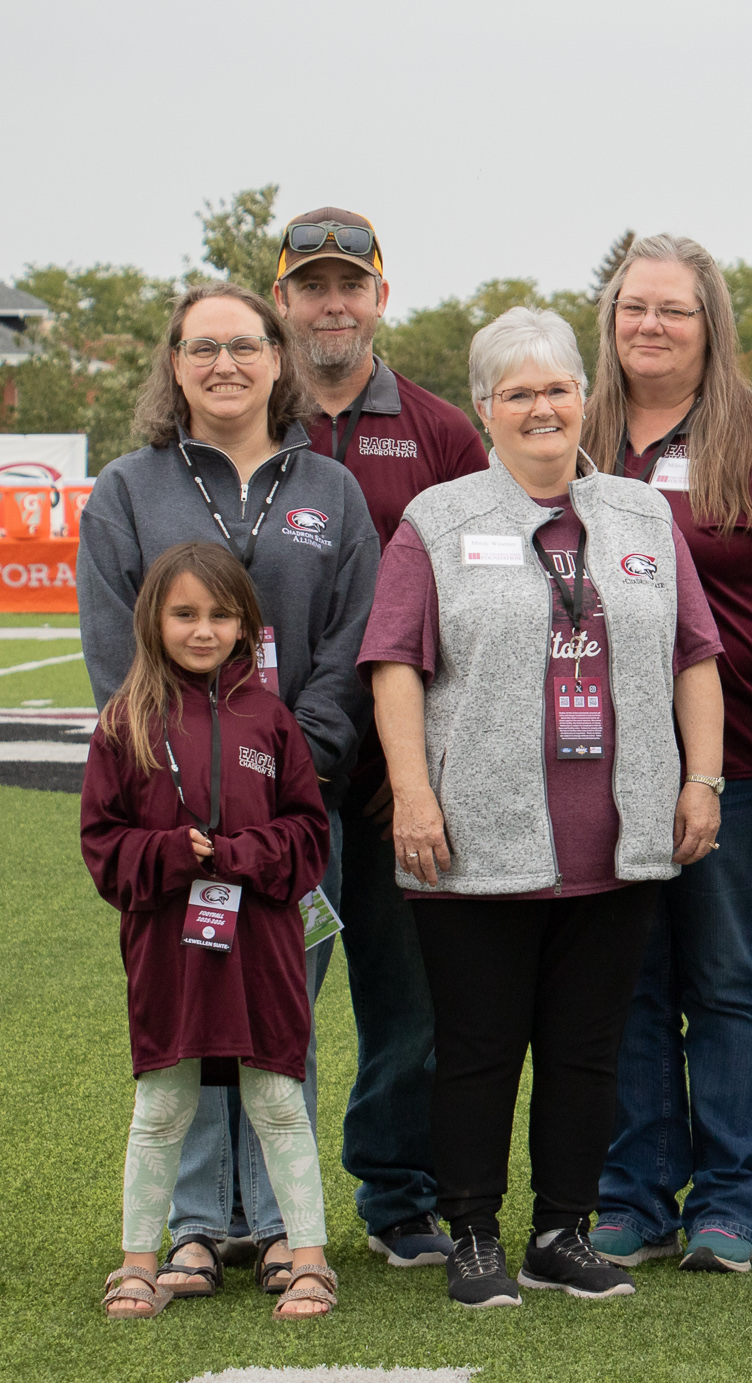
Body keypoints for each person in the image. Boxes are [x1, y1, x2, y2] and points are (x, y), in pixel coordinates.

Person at [359, 307, 727, 1309]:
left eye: (556, 388)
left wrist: (703, 780)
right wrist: (413, 794)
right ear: (484, 407)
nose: (540, 407)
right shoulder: (438, 520)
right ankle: (472, 1232)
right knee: (477, 1050)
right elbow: (395, 664)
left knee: (585, 1048)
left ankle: (560, 1232)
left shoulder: (644, 518)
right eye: (517, 392)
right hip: (476, 833)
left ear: (584, 399)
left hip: (616, 831)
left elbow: (695, 655)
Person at [77, 280, 378, 1299]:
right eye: (202, 348)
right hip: (174, 821)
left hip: (290, 803)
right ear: (175, 364)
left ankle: (291, 1234)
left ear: (276, 357)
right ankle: (202, 1227)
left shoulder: (330, 490)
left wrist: (302, 746)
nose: (224, 366)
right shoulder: (129, 487)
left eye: (244, 346)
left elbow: (352, 631)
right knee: (191, 1016)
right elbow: (115, 641)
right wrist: (172, 773)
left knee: (277, 1014)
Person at [585, 236, 752, 1275]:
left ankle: (732, 1196)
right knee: (628, 982)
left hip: (733, 766)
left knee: (728, 979)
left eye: (674, 310)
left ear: (710, 324)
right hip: (599, 767)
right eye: (634, 307)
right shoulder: (579, 430)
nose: (650, 326)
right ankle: (633, 1193)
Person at [272, 205, 489, 1270]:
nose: (332, 303)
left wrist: (414, 762)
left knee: (408, 1003)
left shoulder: (443, 431)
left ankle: (397, 1193)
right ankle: (262, 1208)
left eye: (349, 284)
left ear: (379, 297)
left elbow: (477, 597)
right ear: (283, 301)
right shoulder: (244, 419)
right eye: (312, 285)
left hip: (399, 777)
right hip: (277, 778)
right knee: (272, 999)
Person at [85, 543, 338, 1321]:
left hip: (260, 946)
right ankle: (138, 1259)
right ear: (153, 620)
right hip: (170, 949)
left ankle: (309, 1258)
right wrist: (167, 853)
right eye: (184, 613)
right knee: (163, 1102)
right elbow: (102, 843)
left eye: (220, 614)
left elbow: (307, 833)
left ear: (246, 626)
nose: (202, 630)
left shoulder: (271, 716)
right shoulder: (124, 719)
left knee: (276, 1095)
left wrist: (240, 855)